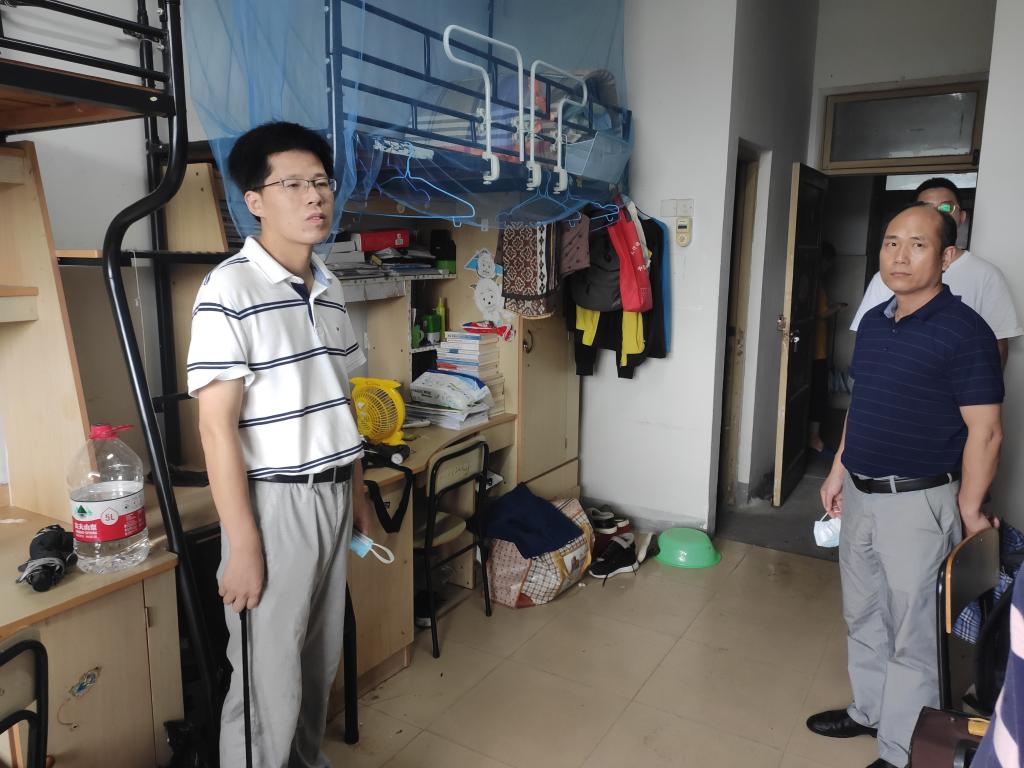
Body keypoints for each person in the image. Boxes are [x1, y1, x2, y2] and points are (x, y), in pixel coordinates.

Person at [186, 121, 370, 766]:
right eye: (291, 184)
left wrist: (357, 494)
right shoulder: (229, 289)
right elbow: (215, 428)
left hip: (333, 495)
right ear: (255, 200)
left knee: (317, 665)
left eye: (321, 181)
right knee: (267, 683)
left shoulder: (330, 285)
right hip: (274, 504)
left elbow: (341, 398)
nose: (314, 196)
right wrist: (242, 546)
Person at [808, 202, 1004, 768]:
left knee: (915, 635)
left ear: (946, 257)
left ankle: (900, 751)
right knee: (864, 612)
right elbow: (863, 403)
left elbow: (986, 431)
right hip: (861, 494)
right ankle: (869, 710)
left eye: (918, 244)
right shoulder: (874, 320)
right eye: (891, 242)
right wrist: (839, 467)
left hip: (919, 502)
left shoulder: (966, 331)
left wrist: (970, 509)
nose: (900, 255)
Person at [850, 178, 1022, 367]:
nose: (936, 213)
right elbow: (867, 340)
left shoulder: (986, 276)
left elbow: (997, 345)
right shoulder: (888, 276)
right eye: (925, 207)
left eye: (946, 207)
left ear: (962, 217)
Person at [809, 242, 847, 455]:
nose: (829, 267)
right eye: (828, 263)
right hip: (815, 349)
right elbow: (821, 313)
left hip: (816, 346)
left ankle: (812, 437)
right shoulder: (813, 282)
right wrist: (837, 308)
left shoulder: (812, 281)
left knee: (816, 392)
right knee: (817, 394)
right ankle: (814, 439)